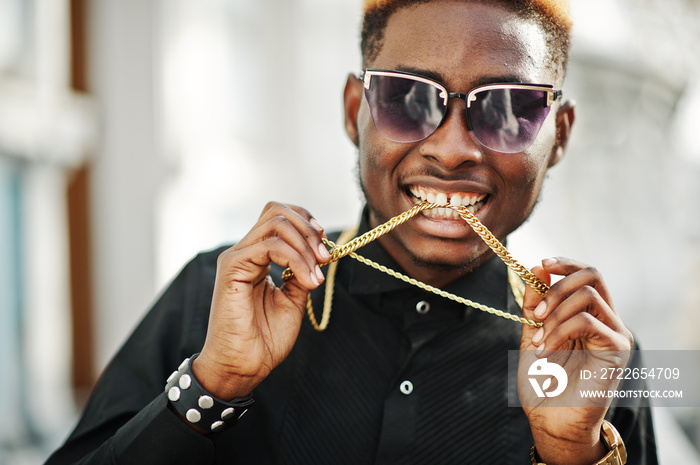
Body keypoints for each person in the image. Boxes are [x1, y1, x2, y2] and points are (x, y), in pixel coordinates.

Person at [47, 0, 658, 464]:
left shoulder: (601, 356)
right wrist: (213, 384)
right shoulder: (218, 291)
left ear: (560, 136)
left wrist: (572, 453)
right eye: (407, 98)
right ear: (353, 112)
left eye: (508, 109)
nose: (451, 149)